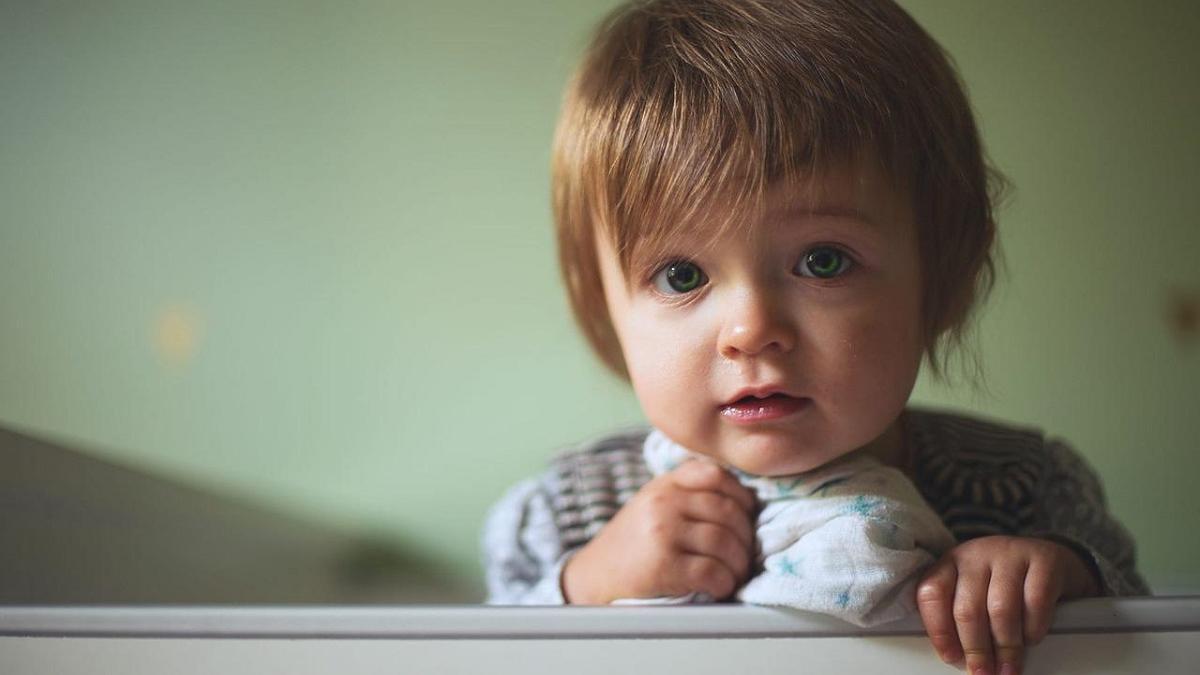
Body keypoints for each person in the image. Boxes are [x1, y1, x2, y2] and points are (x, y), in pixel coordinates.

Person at [482, 0, 1147, 673]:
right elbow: (477, 655)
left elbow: (1151, 640)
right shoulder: (566, 513)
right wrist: (583, 588)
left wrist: (1063, 586)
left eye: (823, 260)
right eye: (682, 275)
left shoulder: (1023, 490)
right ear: (604, 305)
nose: (751, 331)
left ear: (942, 274)